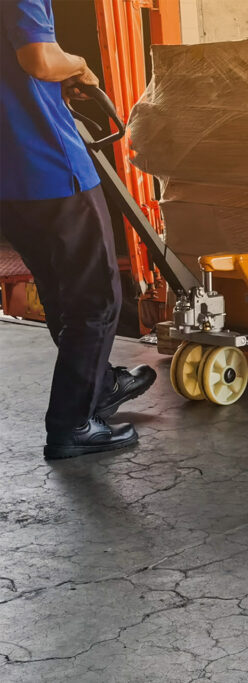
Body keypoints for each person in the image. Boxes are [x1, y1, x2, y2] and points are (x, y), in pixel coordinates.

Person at [1, 0, 155, 460]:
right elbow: (39, 59)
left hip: (9, 175)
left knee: (60, 291)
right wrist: (80, 64)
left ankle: (100, 384)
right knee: (95, 298)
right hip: (50, 166)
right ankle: (73, 423)